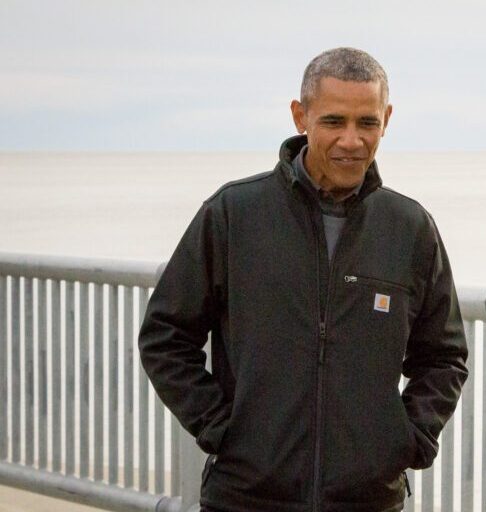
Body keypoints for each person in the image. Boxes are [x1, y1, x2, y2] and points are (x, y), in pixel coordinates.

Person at [139, 47, 468, 512]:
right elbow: (164, 336)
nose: (351, 140)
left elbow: (444, 355)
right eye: (334, 121)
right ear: (301, 116)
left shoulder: (409, 227)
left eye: (367, 123)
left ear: (387, 119)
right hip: (246, 496)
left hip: (368, 500)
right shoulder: (234, 214)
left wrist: (407, 438)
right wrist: (221, 428)